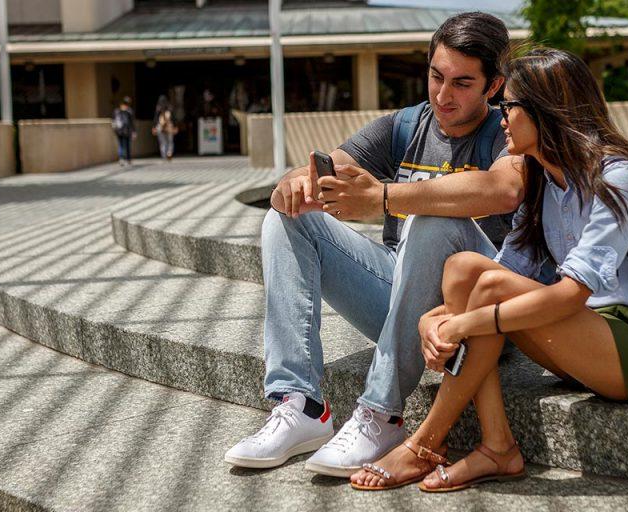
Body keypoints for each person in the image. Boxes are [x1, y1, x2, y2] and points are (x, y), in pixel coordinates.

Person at [349, 47, 628, 492]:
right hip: (587, 335)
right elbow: (501, 270)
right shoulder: (544, 180)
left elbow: (571, 293)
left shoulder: (617, 177)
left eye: (508, 105)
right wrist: (432, 317)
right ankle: (498, 445)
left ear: (545, 111)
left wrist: (464, 323)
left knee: (486, 286)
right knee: (462, 269)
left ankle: (423, 444)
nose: (501, 116)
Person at [224, 12, 528, 476]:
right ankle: (300, 404)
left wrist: (384, 197)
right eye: (436, 76)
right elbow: (325, 169)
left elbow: (506, 188)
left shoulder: (508, 131)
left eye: (463, 83)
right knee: (286, 220)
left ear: (493, 86)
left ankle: (381, 414)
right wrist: (294, 186)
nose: (444, 95)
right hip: (400, 295)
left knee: (430, 219)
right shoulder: (404, 127)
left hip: (478, 319)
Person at [112, 97, 136, 166]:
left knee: (121, 145)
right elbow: (131, 122)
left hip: (119, 131)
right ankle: (128, 159)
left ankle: (121, 158)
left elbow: (114, 121)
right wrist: (134, 131)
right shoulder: (129, 111)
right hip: (126, 131)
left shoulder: (116, 111)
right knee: (127, 145)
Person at [153, 95, 178, 160]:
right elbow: (174, 118)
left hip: (160, 127)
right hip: (169, 126)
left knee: (163, 142)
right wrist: (175, 127)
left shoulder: (158, 108)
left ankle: (164, 155)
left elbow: (155, 119)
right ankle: (169, 153)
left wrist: (154, 127)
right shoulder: (170, 108)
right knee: (170, 141)